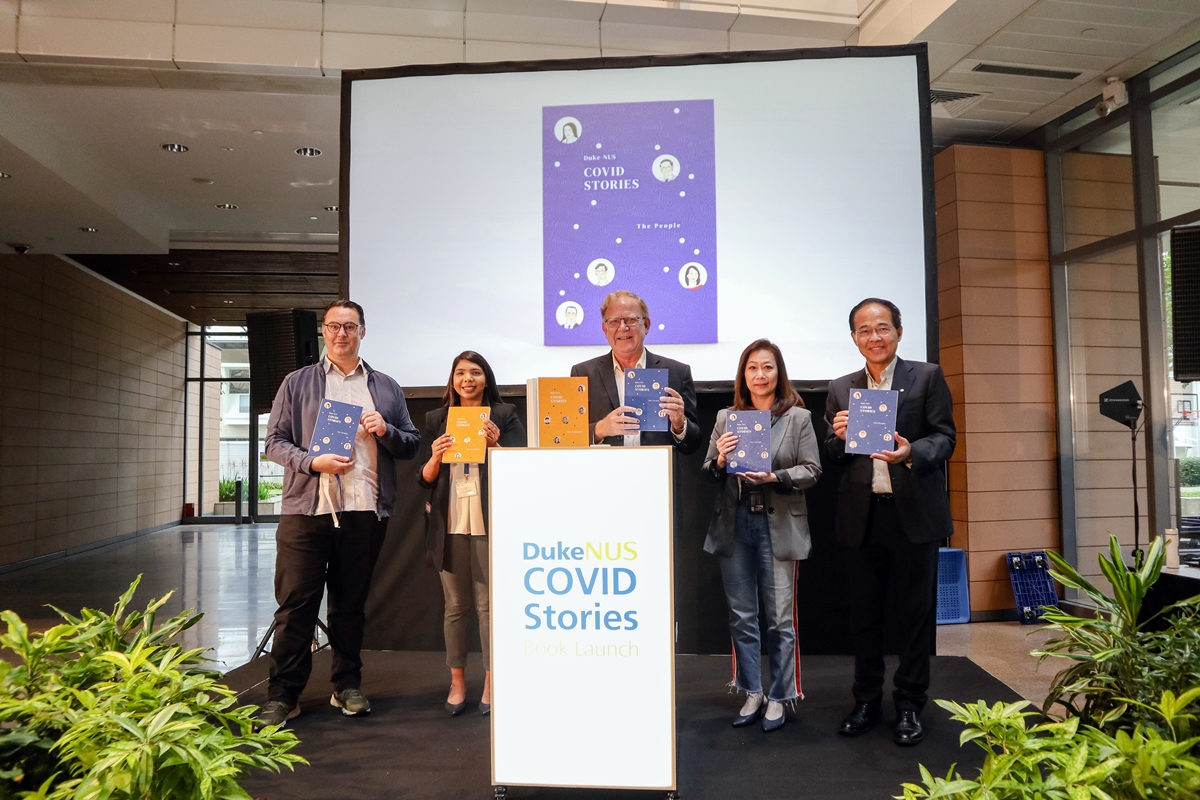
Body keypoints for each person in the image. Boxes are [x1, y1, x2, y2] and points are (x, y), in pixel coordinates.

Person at [259, 299, 421, 728]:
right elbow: (274, 442)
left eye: (350, 326)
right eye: (334, 326)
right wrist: (313, 462)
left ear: (363, 331)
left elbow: (411, 443)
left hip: (365, 510)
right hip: (308, 510)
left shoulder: (385, 386)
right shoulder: (297, 383)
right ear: (324, 332)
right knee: (296, 606)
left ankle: (346, 686)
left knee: (349, 606)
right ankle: (283, 695)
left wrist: (386, 431)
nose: (342, 334)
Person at [824, 297, 955, 746]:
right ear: (854, 337)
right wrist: (840, 438)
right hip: (863, 516)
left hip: (914, 515)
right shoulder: (841, 387)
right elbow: (833, 454)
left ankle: (910, 706)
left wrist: (911, 453)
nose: (873, 337)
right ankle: (865, 702)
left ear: (898, 331)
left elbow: (946, 437)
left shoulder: (927, 376)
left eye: (882, 328)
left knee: (914, 618)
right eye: (864, 330)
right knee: (864, 617)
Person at [702, 340, 821, 732]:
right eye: (752, 368)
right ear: (743, 375)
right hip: (735, 523)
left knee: (780, 620)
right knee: (742, 615)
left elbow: (813, 470)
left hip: (779, 523)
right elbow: (708, 469)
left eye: (767, 367)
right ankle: (752, 690)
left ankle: (781, 694)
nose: (760, 375)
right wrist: (720, 458)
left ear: (778, 373)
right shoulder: (727, 417)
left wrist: (776, 476)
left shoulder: (799, 418)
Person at [418, 352, 525, 716]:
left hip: (488, 520)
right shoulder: (436, 419)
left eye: (475, 373)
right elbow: (424, 478)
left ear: (486, 379)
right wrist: (435, 456)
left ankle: (493, 682)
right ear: (452, 380)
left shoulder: (504, 415)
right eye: (461, 373)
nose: (468, 379)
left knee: (488, 607)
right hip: (449, 522)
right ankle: (458, 681)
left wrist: (496, 446)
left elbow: (521, 467)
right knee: (456, 607)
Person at [570, 289, 699, 452]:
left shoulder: (677, 373)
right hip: (602, 473)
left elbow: (693, 446)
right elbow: (570, 437)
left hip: (657, 473)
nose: (622, 328)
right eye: (614, 321)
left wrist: (680, 425)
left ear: (646, 325)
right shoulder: (583, 373)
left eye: (631, 320)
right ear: (605, 329)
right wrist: (601, 429)